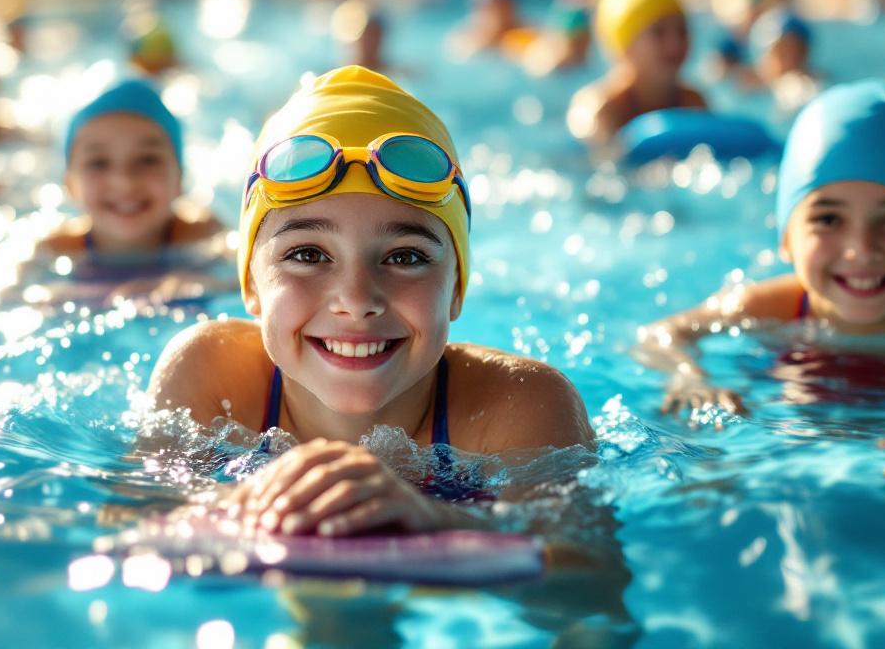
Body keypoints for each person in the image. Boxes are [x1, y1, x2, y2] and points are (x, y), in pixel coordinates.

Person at [147, 66, 597, 536]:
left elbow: (583, 570)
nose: (357, 300)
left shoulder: (519, 408)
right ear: (252, 287)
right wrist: (248, 504)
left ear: (456, 289)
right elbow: (134, 527)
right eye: (308, 255)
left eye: (405, 257)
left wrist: (437, 520)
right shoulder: (210, 380)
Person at [634, 81, 885, 507]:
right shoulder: (772, 305)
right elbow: (661, 334)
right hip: (795, 426)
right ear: (787, 240)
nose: (861, 250)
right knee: (701, 480)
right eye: (828, 219)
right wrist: (689, 376)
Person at [41, 79, 222, 257]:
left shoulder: (208, 240)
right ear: (69, 184)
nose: (124, 181)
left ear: (180, 178)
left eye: (147, 160)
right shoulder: (54, 251)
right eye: (99, 163)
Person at [567, 0, 707, 157]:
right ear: (626, 45)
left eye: (682, 31)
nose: (675, 44)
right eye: (658, 32)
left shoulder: (692, 102)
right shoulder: (599, 108)